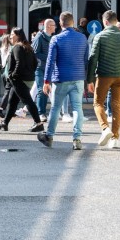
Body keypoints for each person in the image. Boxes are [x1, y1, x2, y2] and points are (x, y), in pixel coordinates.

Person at [38, 12, 89, 150]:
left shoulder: (56, 39)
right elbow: (86, 59)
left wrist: (46, 81)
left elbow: (50, 61)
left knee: (55, 108)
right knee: (77, 108)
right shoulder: (82, 38)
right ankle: (77, 139)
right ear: (73, 22)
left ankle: (49, 136)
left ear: (60, 23)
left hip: (60, 78)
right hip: (78, 78)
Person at [88, 10, 120, 149]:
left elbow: (93, 59)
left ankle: (105, 128)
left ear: (105, 22)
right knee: (117, 106)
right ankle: (115, 138)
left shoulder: (100, 37)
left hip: (104, 75)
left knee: (98, 103)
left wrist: (89, 79)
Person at [0, 28, 43, 133]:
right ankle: (5, 123)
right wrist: (29, 73)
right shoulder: (28, 47)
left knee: (28, 101)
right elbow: (35, 63)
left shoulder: (17, 47)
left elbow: (19, 63)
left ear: (18, 36)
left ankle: (38, 123)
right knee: (12, 101)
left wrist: (12, 75)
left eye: (12, 34)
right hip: (25, 79)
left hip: (19, 80)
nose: (10, 36)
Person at [32, 19, 56, 121]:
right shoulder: (39, 37)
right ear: (48, 26)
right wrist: (49, 57)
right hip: (40, 68)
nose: (55, 27)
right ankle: (40, 113)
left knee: (46, 90)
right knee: (41, 90)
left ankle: (43, 112)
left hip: (48, 68)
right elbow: (34, 53)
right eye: (54, 25)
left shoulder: (53, 38)